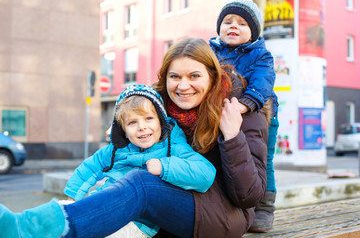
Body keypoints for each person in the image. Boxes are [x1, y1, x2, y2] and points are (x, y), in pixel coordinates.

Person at [0, 38, 270, 238]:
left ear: (212, 76)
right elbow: (132, 115)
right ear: (165, 79)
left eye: (194, 76)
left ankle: (27, 229)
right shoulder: (159, 108)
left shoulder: (241, 110)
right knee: (117, 198)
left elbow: (250, 196)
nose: (183, 85)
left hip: (220, 213)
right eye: (175, 76)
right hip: (170, 203)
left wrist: (233, 137)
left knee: (142, 184)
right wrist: (122, 131)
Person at [64, 84, 216, 237]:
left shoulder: (173, 146)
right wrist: (72, 197)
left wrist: (165, 167)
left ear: (161, 120)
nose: (142, 127)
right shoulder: (117, 149)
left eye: (149, 118)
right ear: (123, 129)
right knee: (64, 220)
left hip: (137, 222)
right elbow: (90, 168)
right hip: (105, 204)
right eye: (132, 122)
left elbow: (206, 173)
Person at [209, 0, 279, 232]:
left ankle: (264, 209)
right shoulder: (210, 52)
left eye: (242, 23)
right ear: (218, 28)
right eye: (227, 21)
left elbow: (262, 84)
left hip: (260, 114)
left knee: (262, 159)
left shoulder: (261, 56)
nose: (233, 26)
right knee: (231, 159)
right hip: (223, 116)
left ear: (253, 32)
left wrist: (244, 105)